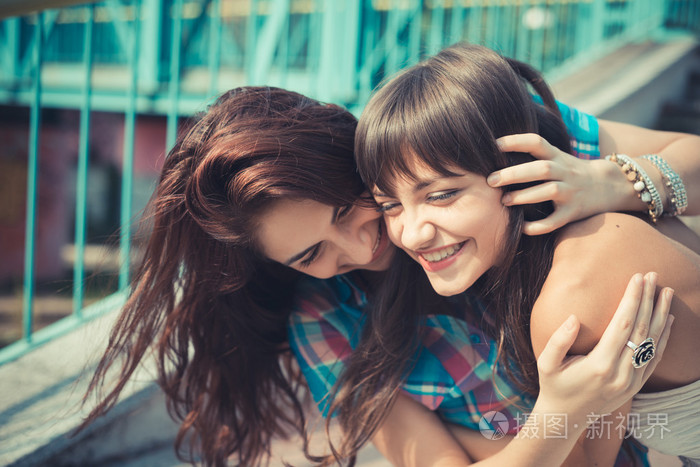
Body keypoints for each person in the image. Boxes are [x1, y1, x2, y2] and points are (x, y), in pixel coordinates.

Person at [76, 85, 697, 467]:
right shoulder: (330, 327)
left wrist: (612, 181)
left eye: (349, 209)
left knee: (607, 244)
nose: (363, 245)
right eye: (308, 255)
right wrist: (561, 410)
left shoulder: (443, 135)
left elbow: (688, 158)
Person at [352, 42, 700, 466]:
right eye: (390, 205)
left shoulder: (578, 288)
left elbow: (586, 462)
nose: (412, 234)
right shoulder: (561, 260)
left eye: (441, 195)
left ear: (522, 169)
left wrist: (613, 180)